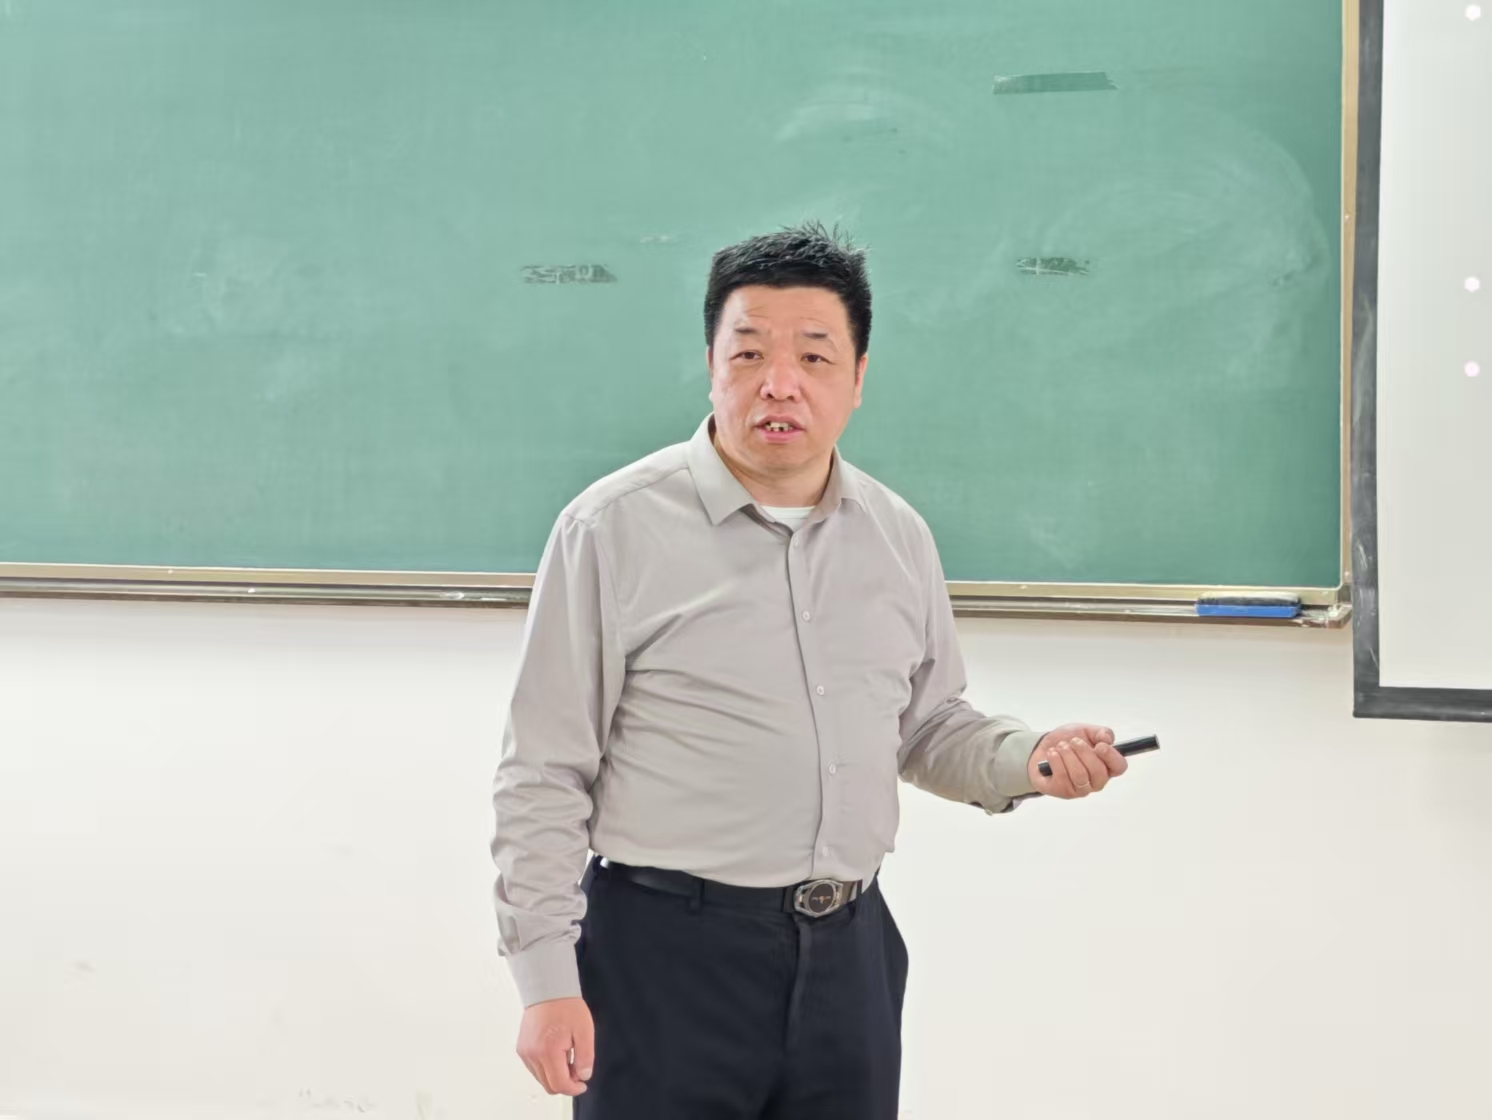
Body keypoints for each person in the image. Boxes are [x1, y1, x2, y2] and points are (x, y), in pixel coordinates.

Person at [491, 222, 1128, 1118]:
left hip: (849, 956)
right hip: (664, 956)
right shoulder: (612, 529)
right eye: (749, 353)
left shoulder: (896, 536)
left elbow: (927, 724)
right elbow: (544, 768)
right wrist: (545, 978)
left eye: (815, 357)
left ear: (858, 378)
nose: (779, 383)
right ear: (710, 366)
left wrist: (1030, 758)